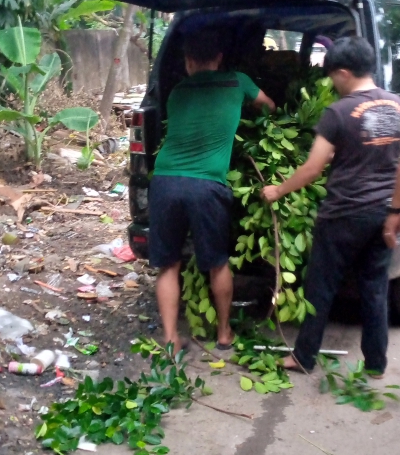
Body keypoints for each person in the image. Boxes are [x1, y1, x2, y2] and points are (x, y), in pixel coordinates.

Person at [261, 36, 400, 376]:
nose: (332, 84)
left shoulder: (337, 112)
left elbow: (312, 168)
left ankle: (304, 357)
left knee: (320, 287)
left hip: (342, 215)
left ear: (343, 73)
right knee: (375, 288)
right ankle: (376, 364)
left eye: (332, 76)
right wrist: (395, 212)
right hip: (383, 212)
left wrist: (278, 190)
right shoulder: (397, 105)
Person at [149, 27, 275, 353]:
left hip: (165, 180)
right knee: (218, 263)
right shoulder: (237, 82)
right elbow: (270, 106)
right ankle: (223, 334)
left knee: (169, 265)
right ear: (219, 58)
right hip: (206, 186)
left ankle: (170, 338)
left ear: (188, 60)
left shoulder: (178, 91)